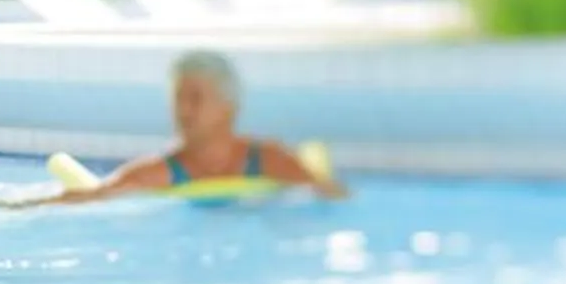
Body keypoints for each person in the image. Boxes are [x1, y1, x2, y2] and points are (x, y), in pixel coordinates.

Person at [48, 50, 344, 203]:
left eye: (196, 98)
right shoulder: (155, 173)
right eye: (179, 98)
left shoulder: (269, 160)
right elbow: (95, 198)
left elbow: (330, 197)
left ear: (228, 106)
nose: (184, 109)